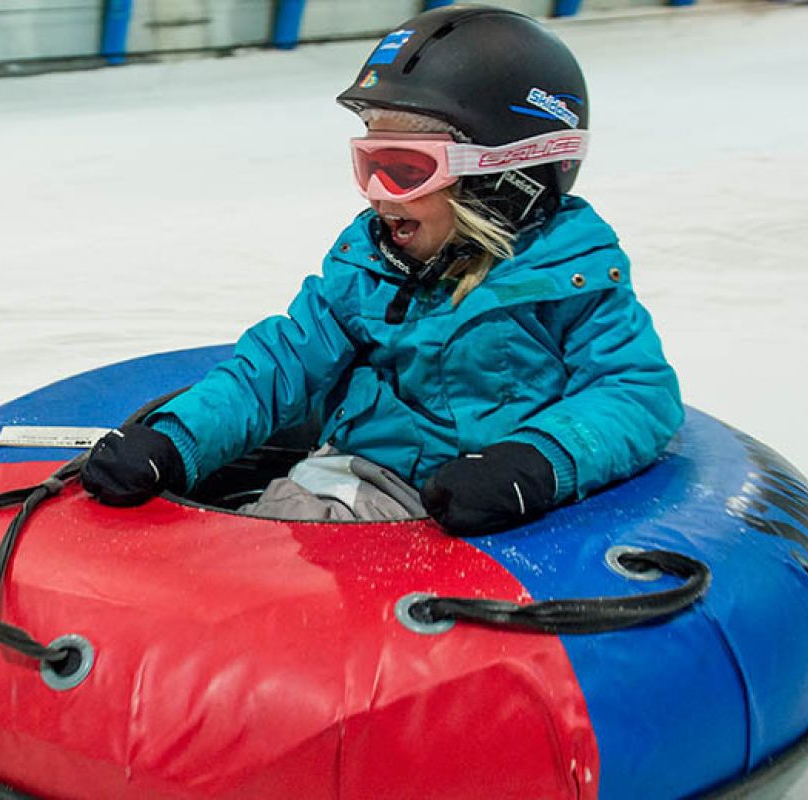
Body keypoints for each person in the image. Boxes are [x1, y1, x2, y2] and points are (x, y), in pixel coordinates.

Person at [80, 4, 682, 536]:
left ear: (505, 177)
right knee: (275, 560)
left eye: (403, 168)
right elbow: (279, 366)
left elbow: (637, 392)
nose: (376, 194)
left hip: (511, 509)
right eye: (366, 161)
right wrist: (176, 437)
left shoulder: (572, 277)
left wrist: (535, 461)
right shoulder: (367, 265)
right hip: (367, 483)